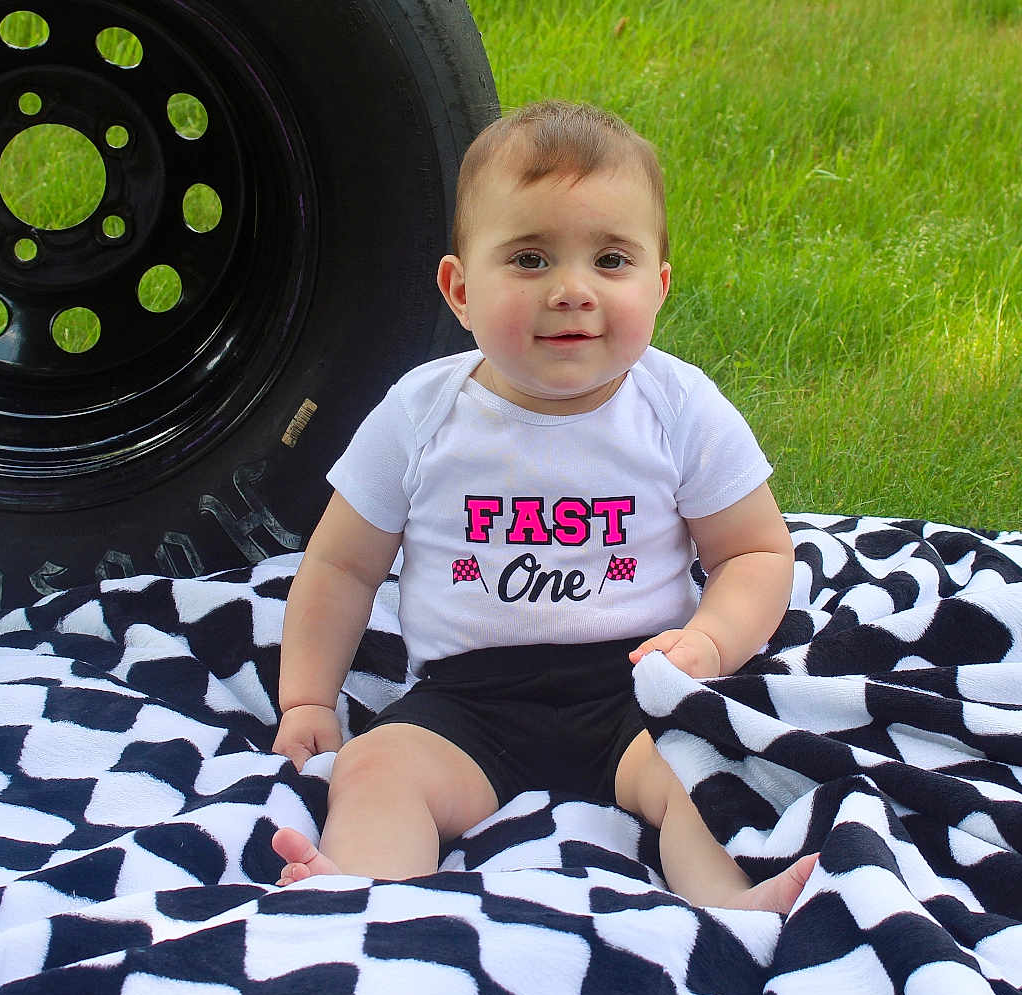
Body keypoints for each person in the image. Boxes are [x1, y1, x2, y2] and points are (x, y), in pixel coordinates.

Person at [270, 100, 817, 911]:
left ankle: (728, 904)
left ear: (658, 285)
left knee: (698, 765)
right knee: (374, 766)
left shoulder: (676, 406)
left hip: (635, 682)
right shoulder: (422, 412)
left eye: (610, 259)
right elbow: (342, 564)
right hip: (466, 700)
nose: (571, 290)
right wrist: (308, 697)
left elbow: (755, 552)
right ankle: (369, 895)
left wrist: (710, 638)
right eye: (528, 259)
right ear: (459, 289)